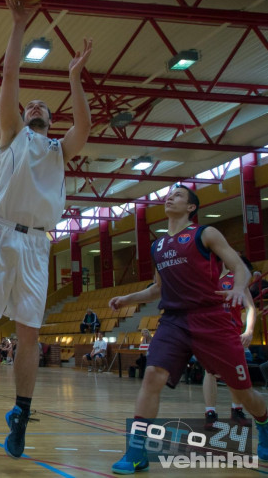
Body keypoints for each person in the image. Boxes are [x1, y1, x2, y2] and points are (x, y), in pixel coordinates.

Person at [0, 0, 92, 459]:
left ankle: (21, 412)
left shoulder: (58, 150)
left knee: (30, 333)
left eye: (41, 106)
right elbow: (10, 77)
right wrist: (18, 25)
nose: (33, 105)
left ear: (50, 120)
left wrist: (74, 78)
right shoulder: (12, 135)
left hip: (36, 245)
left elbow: (84, 127)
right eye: (29, 104)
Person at [109, 185, 268, 474]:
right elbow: (157, 288)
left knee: (243, 393)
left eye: (178, 195)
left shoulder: (205, 234)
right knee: (152, 376)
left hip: (211, 319)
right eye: (168, 195)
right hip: (174, 321)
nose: (170, 197)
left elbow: (240, 267)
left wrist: (238, 288)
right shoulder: (158, 246)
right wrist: (126, 299)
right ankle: (135, 452)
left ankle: (264, 421)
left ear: (191, 207)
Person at [202, 263, 256, 429]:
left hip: (233, 333)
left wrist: (249, 331)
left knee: (237, 371)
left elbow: (250, 307)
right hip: (211, 332)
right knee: (210, 372)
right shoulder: (203, 279)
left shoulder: (236, 278)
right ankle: (210, 413)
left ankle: (237, 410)